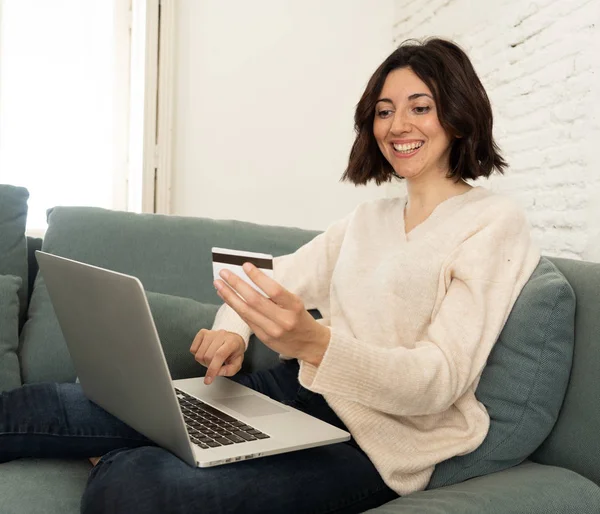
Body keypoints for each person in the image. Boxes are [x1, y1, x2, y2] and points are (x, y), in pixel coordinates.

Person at [0, 37, 540, 514]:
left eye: (420, 107)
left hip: (373, 444)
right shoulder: (368, 220)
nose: (397, 126)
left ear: (459, 113)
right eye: (384, 111)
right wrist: (235, 328)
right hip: (293, 394)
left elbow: (437, 382)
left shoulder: (493, 224)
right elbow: (264, 280)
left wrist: (317, 344)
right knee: (52, 403)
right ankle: (149, 442)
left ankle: (132, 453)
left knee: (135, 490)